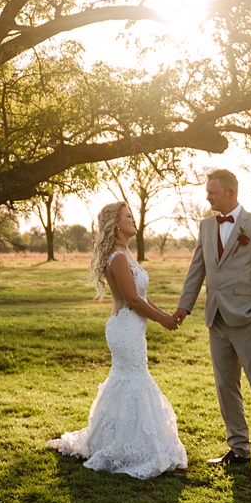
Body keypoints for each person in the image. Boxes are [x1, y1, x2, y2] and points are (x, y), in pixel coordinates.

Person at [48, 201, 188, 478]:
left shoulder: (126, 253)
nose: (133, 220)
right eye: (128, 216)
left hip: (132, 328)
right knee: (133, 381)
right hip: (125, 328)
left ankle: (118, 438)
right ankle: (125, 446)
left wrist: (164, 316)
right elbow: (133, 300)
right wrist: (161, 319)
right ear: (115, 224)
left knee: (129, 380)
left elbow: (142, 297)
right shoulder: (118, 257)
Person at [172, 168, 251, 479]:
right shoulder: (206, 227)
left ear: (230, 193)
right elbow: (196, 270)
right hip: (216, 320)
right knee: (226, 388)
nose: (207, 196)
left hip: (249, 320)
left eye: (212, 191)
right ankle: (239, 449)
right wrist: (184, 306)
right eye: (207, 191)